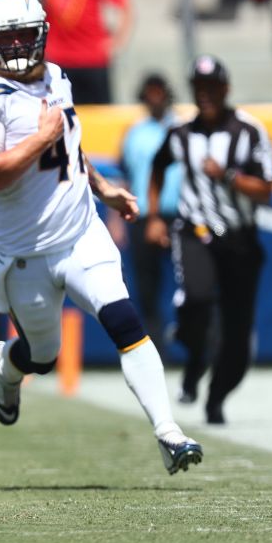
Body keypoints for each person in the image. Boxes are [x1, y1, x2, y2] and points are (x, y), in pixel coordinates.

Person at [0, 0, 202, 475]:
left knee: (126, 323)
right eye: (8, 37)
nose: (19, 45)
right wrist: (41, 137)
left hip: (81, 232)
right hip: (26, 252)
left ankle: (168, 432)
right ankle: (5, 366)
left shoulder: (56, 77)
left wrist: (104, 188)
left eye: (27, 33)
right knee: (42, 356)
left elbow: (66, 147)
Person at [146, 55, 272, 425]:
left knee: (236, 335)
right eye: (198, 89)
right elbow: (157, 167)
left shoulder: (249, 132)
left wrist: (230, 177)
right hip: (195, 231)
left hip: (239, 239)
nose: (204, 96)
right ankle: (193, 357)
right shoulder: (181, 133)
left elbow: (266, 189)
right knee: (197, 301)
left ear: (226, 89)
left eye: (211, 88)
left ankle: (216, 397)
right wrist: (154, 216)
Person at [117, 73, 181, 357]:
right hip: (142, 217)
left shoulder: (183, 128)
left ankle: (202, 347)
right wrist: (115, 218)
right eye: (150, 93)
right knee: (146, 288)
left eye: (160, 93)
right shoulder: (134, 132)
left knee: (195, 284)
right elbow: (124, 177)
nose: (155, 99)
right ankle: (155, 351)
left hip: (181, 214)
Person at [39, 0, 131, 104]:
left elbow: (124, 6)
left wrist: (116, 42)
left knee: (99, 117)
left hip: (93, 60)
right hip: (57, 59)